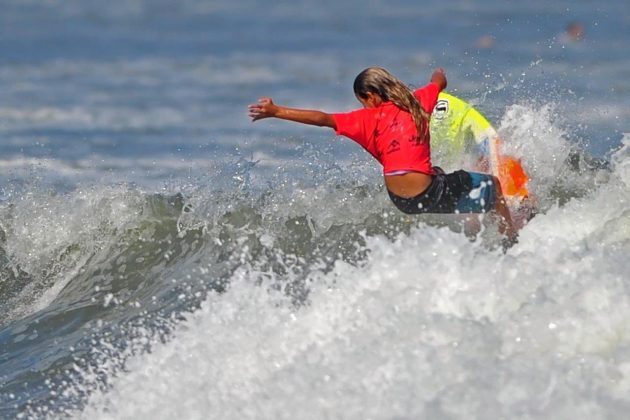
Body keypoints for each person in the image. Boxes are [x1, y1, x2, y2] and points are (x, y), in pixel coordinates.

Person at [248, 67, 517, 241]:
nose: (363, 107)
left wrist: (276, 111)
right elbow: (439, 82)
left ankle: (478, 229)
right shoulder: (419, 101)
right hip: (426, 191)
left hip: (401, 200)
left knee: (441, 175)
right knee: (492, 186)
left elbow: (323, 118)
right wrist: (437, 76)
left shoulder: (363, 120)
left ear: (371, 96)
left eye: (362, 101)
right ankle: (511, 239)